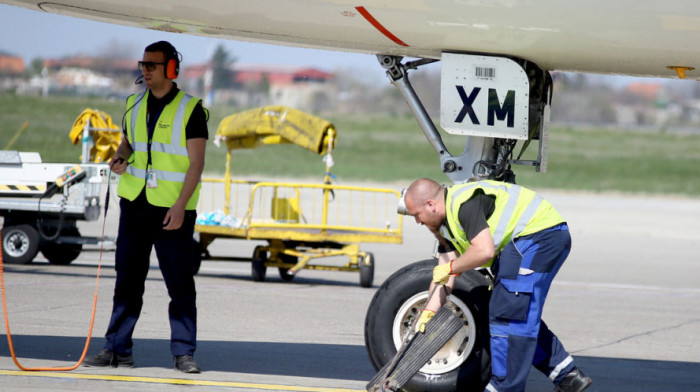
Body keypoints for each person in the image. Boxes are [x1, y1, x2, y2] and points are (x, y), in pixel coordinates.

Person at [83, 41, 208, 373]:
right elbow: (130, 142)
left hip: (172, 211)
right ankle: (116, 349)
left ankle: (184, 353)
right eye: (143, 65)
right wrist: (121, 156)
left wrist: (181, 206)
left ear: (170, 69)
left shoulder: (191, 109)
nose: (145, 71)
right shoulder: (134, 105)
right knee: (127, 280)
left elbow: (196, 163)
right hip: (135, 205)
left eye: (152, 65)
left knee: (179, 284)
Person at [403, 178, 592, 392]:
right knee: (517, 310)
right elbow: (444, 275)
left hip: (540, 235)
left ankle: (505, 387)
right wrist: (429, 311)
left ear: (431, 205)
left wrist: (451, 267)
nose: (417, 221)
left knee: (508, 312)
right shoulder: (443, 226)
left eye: (416, 215)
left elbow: (484, 251)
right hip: (527, 241)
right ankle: (567, 376)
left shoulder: (464, 205)